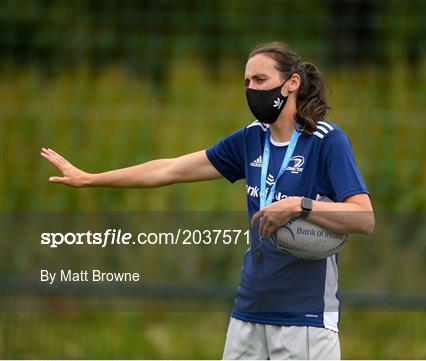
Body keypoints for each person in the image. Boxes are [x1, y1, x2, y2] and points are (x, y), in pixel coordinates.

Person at [41, 41, 375, 360]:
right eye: (247, 82)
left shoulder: (326, 141)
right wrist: (91, 178)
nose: (252, 90)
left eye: (261, 80)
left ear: (292, 83)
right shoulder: (250, 139)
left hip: (306, 316)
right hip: (250, 310)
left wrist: (301, 205)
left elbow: (364, 218)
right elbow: (168, 169)